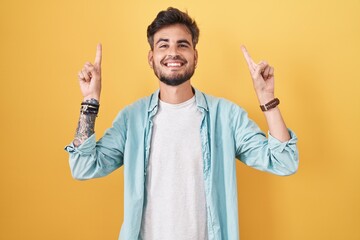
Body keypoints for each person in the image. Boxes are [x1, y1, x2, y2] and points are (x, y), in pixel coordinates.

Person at [65, 7, 298, 240]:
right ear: (151, 57)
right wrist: (89, 102)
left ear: (195, 56)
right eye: (163, 45)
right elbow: (83, 167)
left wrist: (267, 99)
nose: (173, 53)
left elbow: (284, 162)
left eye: (182, 45)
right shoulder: (131, 119)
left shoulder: (227, 117)